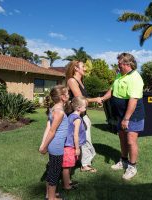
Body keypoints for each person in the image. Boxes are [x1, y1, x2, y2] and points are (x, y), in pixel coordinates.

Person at [98, 52, 145, 180]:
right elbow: (112, 90)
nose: (118, 65)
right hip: (120, 114)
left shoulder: (135, 77)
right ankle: (123, 160)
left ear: (127, 64)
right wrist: (103, 98)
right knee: (122, 138)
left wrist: (126, 118)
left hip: (133, 114)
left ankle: (132, 167)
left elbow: (133, 100)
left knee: (130, 140)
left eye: (119, 63)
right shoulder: (119, 75)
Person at [65, 60, 99, 172]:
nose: (85, 68)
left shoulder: (81, 81)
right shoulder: (72, 80)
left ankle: (82, 162)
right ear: (76, 68)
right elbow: (80, 99)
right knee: (84, 139)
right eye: (83, 66)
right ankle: (84, 165)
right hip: (75, 117)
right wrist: (96, 99)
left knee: (83, 139)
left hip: (83, 115)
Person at [39, 85, 69, 200]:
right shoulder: (59, 112)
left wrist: (43, 144)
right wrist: (44, 146)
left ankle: (49, 194)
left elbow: (48, 127)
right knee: (55, 173)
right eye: (67, 94)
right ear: (62, 97)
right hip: (56, 147)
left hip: (54, 146)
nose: (68, 95)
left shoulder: (54, 108)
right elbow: (51, 131)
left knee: (51, 170)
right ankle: (52, 198)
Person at [62, 96, 88, 190]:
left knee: (69, 165)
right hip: (70, 146)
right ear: (79, 108)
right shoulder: (77, 119)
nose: (86, 108)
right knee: (66, 166)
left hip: (69, 145)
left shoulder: (71, 115)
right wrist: (77, 148)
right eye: (85, 107)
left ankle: (68, 181)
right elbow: (75, 135)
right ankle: (66, 186)